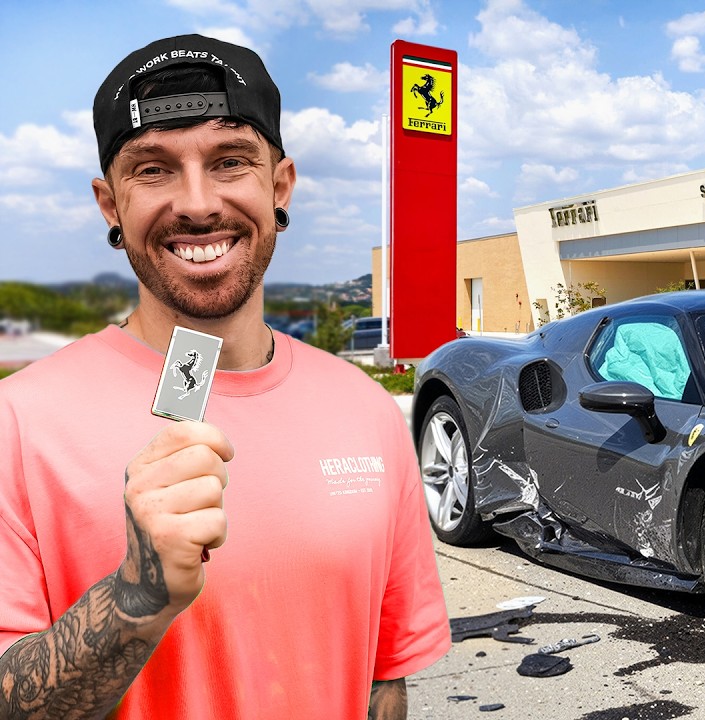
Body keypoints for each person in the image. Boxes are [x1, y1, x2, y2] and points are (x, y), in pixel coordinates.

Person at [0, 35, 450, 718]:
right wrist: (135, 599)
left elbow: (381, 681)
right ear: (109, 204)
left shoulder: (365, 412)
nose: (198, 202)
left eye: (230, 160)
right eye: (152, 169)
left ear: (280, 185)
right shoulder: (18, 423)